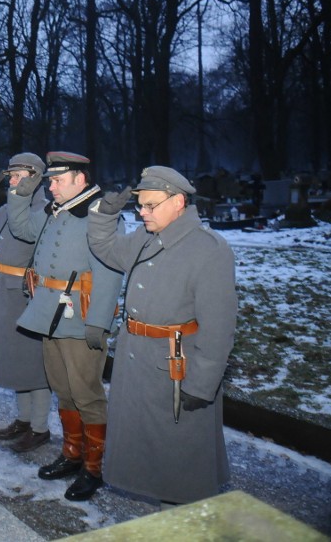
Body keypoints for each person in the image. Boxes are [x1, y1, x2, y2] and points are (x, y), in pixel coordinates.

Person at [87, 166, 238, 506]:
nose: (142, 213)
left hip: (176, 366)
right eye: (140, 205)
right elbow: (106, 250)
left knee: (180, 454)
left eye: (150, 205)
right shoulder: (146, 237)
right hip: (136, 357)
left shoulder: (209, 249)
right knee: (143, 446)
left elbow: (219, 328)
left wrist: (201, 384)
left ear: (178, 202)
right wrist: (105, 215)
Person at [7, 151, 123, 501]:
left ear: (80, 180)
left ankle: (94, 467)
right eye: (50, 180)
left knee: (87, 394)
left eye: (57, 180)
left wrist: (98, 324)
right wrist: (20, 193)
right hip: (49, 314)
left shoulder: (99, 215)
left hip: (81, 318)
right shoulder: (54, 211)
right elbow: (21, 228)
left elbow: (109, 274)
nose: (51, 186)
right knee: (63, 389)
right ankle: (72, 454)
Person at [0, 153, 53, 453]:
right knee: (14, 362)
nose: (13, 180)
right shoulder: (9, 208)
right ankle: (23, 419)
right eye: (11, 175)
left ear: (35, 177)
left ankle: (40, 427)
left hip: (23, 293)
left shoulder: (43, 210)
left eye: (19, 175)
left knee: (32, 364)